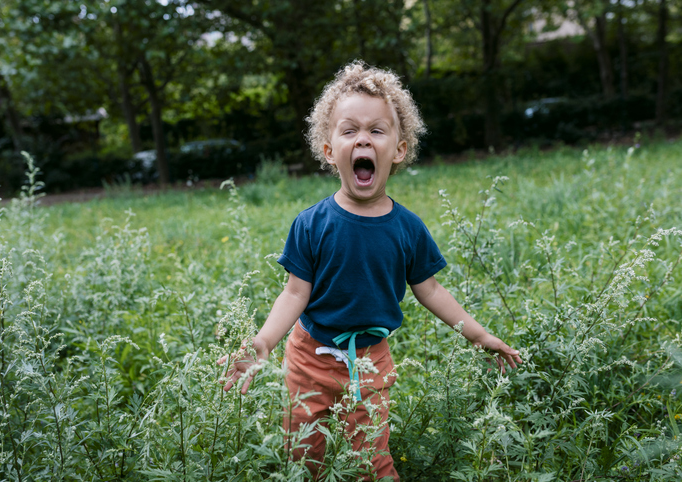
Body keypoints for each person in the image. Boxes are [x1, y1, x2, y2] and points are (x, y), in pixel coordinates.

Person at [218, 61, 523, 481]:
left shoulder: (408, 228)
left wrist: (480, 335)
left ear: (398, 149)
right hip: (310, 356)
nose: (363, 138)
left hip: (371, 362)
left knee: (372, 466)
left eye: (377, 131)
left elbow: (431, 290)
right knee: (304, 458)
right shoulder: (311, 224)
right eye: (349, 130)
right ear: (329, 150)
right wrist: (262, 343)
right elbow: (294, 294)